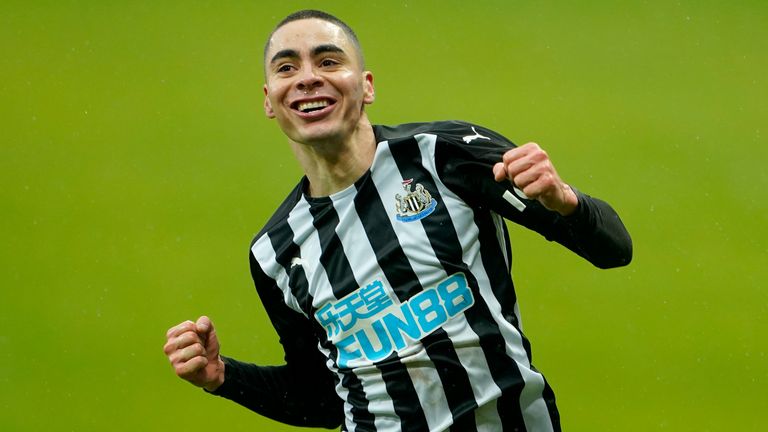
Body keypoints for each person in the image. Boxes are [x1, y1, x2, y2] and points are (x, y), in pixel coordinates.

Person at [163, 9, 632, 432]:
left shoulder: (446, 156)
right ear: (270, 100)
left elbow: (613, 250)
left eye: (328, 62)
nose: (307, 78)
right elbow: (324, 401)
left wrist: (563, 199)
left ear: (366, 85)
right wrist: (223, 376)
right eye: (287, 68)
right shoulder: (276, 253)